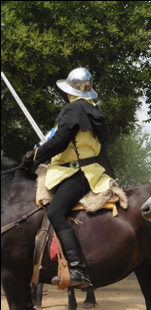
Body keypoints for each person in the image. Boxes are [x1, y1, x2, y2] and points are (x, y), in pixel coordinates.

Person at [21, 67, 112, 289]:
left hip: (76, 172)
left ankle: (77, 269)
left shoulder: (73, 109)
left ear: (70, 92)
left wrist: (33, 156)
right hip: (89, 170)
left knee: (56, 212)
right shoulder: (92, 110)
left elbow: (59, 141)